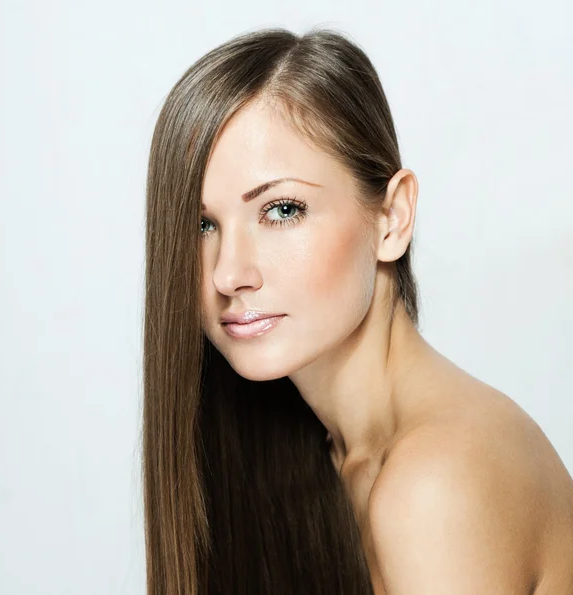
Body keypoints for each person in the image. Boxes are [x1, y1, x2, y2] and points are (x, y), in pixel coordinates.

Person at [142, 26, 573, 594]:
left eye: (282, 210)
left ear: (391, 218)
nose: (228, 273)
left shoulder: (435, 483)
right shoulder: (319, 453)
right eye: (202, 225)